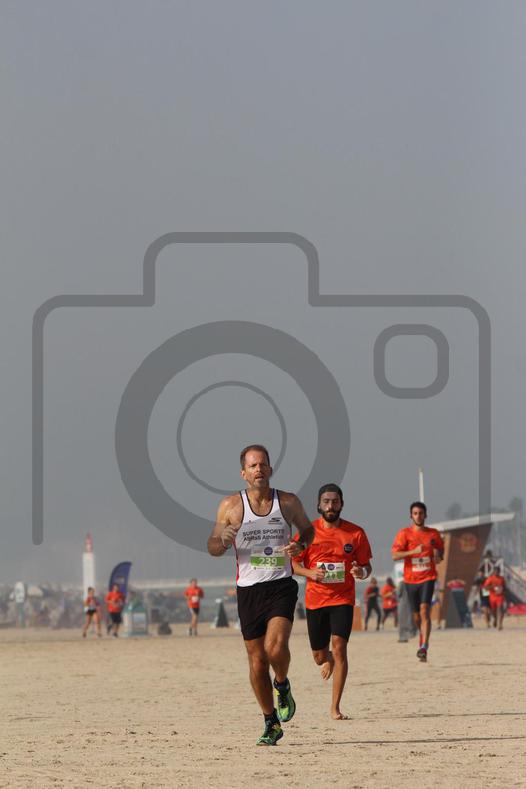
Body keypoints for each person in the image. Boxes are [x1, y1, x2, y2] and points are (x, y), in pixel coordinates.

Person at [207, 444, 314, 746]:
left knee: (275, 648)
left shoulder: (288, 502)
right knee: (256, 661)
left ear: (270, 469)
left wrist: (301, 545)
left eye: (263, 464)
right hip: (248, 590)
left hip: (281, 584)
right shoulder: (230, 506)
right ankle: (271, 722)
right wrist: (223, 540)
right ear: (243, 473)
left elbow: (308, 530)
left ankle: (282, 684)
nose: (259, 470)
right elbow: (212, 546)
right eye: (253, 466)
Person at [292, 483, 372, 720]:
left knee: (339, 648)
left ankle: (335, 707)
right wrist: (310, 573)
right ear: (319, 505)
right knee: (320, 657)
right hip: (315, 601)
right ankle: (326, 658)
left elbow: (366, 566)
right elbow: (292, 564)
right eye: (326, 502)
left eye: (335, 502)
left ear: (341, 504)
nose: (330, 506)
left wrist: (362, 572)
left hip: (343, 599)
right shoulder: (307, 533)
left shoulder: (355, 533)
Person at [392, 501, 444, 662]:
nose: (418, 516)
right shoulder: (404, 534)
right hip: (411, 580)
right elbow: (395, 556)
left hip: (428, 577)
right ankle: (421, 633)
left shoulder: (433, 534)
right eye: (415, 513)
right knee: (416, 616)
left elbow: (440, 554)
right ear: (411, 516)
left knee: (424, 610)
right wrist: (413, 551)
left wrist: (438, 556)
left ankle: (424, 646)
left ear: (425, 515)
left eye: (421, 513)